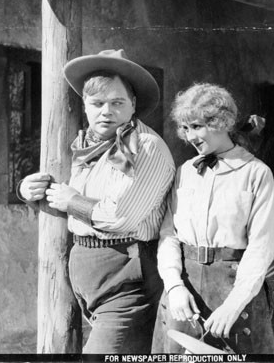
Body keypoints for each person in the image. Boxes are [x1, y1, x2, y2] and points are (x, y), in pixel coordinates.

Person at [17, 49, 175, 353]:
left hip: (128, 275)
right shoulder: (84, 146)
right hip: (86, 274)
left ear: (133, 105)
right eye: (97, 103)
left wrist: (73, 200)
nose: (106, 111)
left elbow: (120, 218)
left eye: (117, 103)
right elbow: (54, 190)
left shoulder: (145, 147)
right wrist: (27, 189)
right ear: (85, 106)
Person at [153, 83, 274, 354]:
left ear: (222, 122)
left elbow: (261, 247)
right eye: (185, 128)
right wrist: (174, 286)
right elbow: (169, 235)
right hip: (184, 288)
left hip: (235, 288)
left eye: (196, 126)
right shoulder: (184, 172)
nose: (190, 137)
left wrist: (234, 304)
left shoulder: (256, 173)